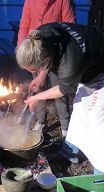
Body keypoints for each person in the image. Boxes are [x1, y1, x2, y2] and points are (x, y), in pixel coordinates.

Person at [16, 22, 104, 174]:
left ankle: (101, 171)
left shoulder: (70, 63)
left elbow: (63, 89)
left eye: (33, 70)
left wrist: (36, 98)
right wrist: (40, 76)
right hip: (88, 63)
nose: (33, 72)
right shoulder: (39, 37)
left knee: (97, 121)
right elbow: (48, 57)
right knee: (80, 110)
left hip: (100, 72)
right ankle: (73, 151)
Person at [17, 0, 76, 137]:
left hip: (57, 53)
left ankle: (65, 125)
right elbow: (24, 25)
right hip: (35, 53)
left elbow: (70, 25)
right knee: (39, 90)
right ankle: (41, 121)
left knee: (59, 89)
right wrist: (22, 49)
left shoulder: (63, 1)